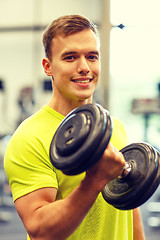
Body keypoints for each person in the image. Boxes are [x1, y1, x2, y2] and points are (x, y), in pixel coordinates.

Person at [4, 15, 145, 240]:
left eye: (92, 57)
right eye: (70, 57)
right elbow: (40, 231)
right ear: (48, 67)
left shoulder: (115, 127)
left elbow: (130, 207)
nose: (84, 67)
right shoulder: (29, 138)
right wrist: (95, 180)